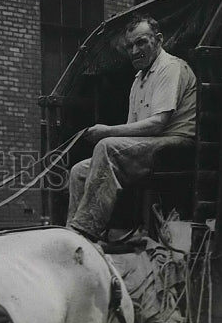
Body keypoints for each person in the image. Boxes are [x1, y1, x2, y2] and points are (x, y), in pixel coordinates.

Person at [67, 15, 197, 241]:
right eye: (129, 46)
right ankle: (72, 236)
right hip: (152, 147)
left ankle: (85, 231)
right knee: (79, 171)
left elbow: (158, 124)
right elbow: (131, 130)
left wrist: (106, 131)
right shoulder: (138, 79)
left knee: (107, 146)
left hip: (177, 146)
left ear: (158, 40)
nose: (135, 50)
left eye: (141, 42)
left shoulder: (170, 68)